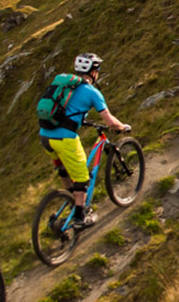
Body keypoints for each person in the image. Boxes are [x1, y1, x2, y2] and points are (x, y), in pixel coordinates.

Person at [37, 52, 130, 226]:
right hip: (65, 138)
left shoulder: (66, 85)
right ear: (93, 72)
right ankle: (80, 217)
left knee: (63, 170)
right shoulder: (92, 92)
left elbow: (66, 109)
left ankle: (72, 198)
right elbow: (109, 121)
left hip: (45, 135)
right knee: (82, 179)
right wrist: (122, 127)